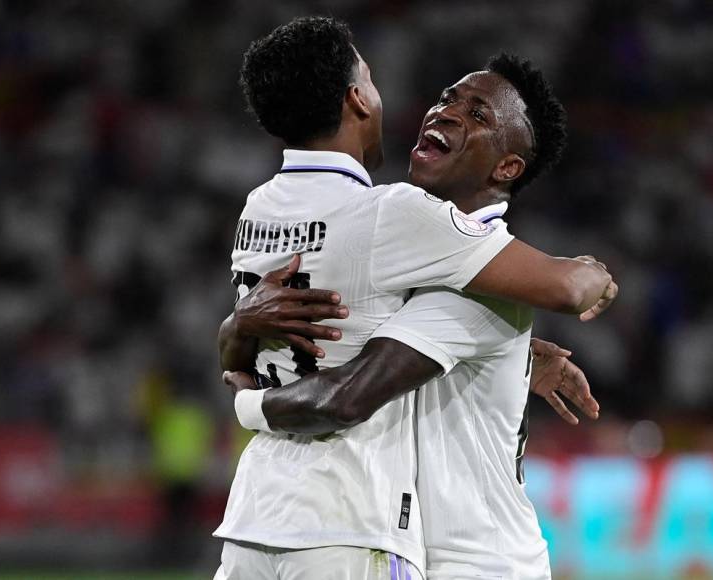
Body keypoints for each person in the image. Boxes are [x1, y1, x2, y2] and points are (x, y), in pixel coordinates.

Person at [212, 17, 615, 580]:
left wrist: (591, 276)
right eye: (449, 98)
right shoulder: (405, 238)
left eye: (477, 115)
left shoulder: (468, 283)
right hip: (372, 533)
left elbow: (349, 390)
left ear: (507, 167)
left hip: (475, 564)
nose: (445, 110)